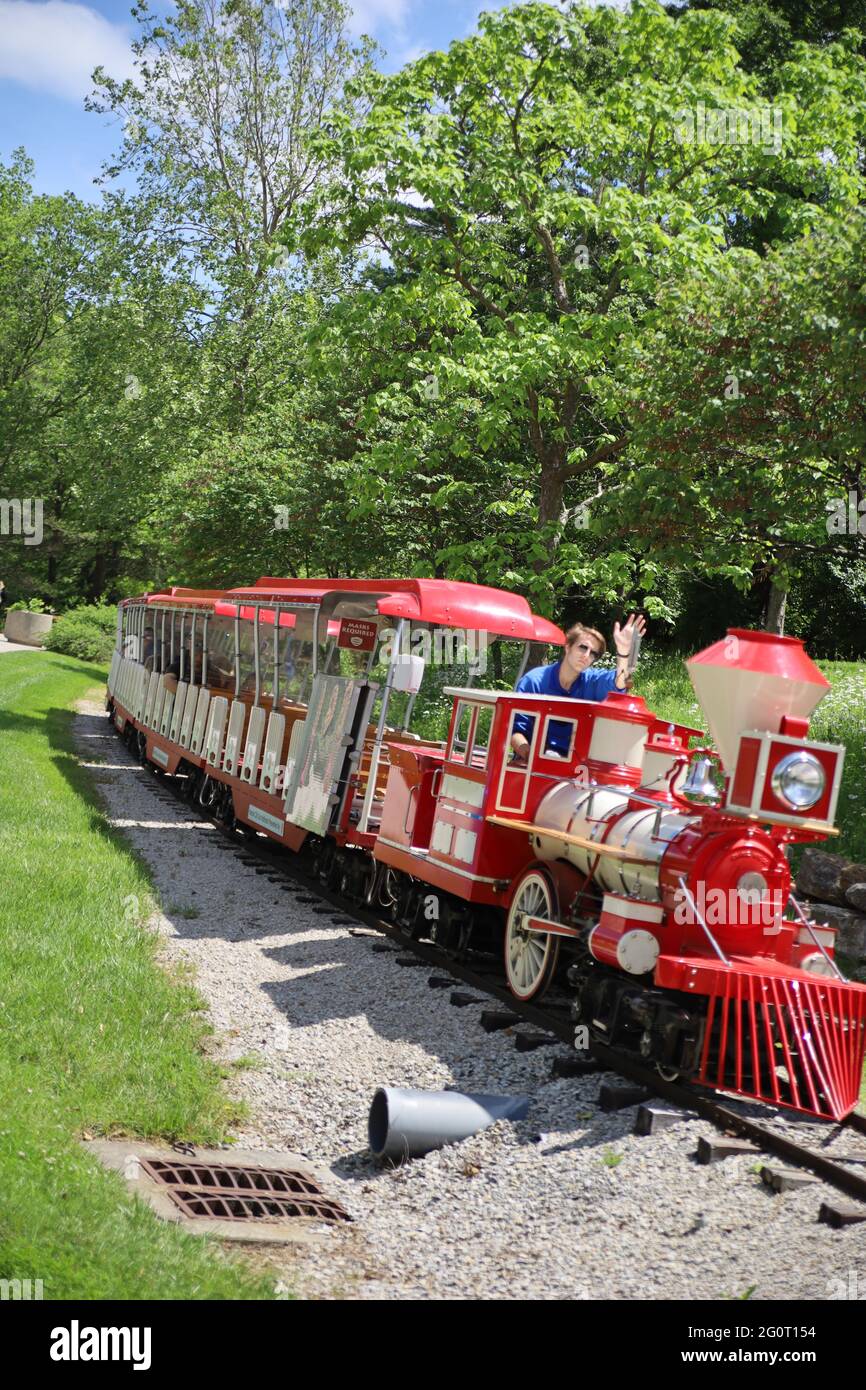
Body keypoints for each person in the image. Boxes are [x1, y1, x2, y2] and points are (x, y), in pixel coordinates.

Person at [510, 613, 647, 761]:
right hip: (531, 765)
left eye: (593, 653)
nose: (587, 655)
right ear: (568, 647)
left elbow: (619, 684)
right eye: (583, 647)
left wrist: (623, 653)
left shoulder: (592, 681)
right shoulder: (534, 681)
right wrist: (535, 758)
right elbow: (515, 732)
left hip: (577, 769)